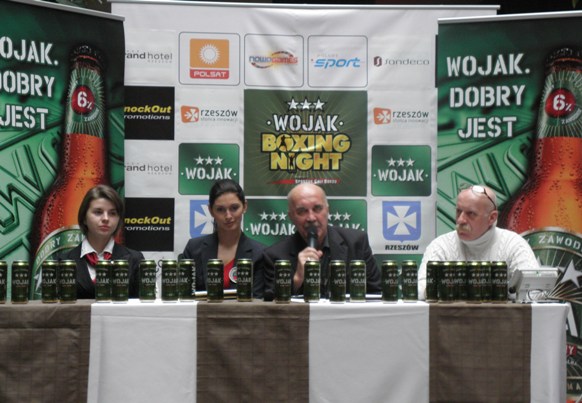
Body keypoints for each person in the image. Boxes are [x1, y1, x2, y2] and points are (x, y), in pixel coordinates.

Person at [417, 184, 539, 299]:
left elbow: (535, 291)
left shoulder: (514, 244)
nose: (460, 220)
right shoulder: (441, 245)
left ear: (492, 218)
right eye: (458, 211)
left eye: (471, 214)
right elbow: (420, 288)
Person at [262, 183, 380, 300]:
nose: (311, 218)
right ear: (291, 217)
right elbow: (270, 305)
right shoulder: (275, 255)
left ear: (327, 210)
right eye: (302, 211)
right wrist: (297, 278)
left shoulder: (356, 243)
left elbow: (376, 294)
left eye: (317, 209)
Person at [180, 179, 265, 298]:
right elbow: (184, 296)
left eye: (234, 208)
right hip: (202, 310)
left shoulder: (260, 254)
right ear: (211, 211)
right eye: (220, 209)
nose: (228, 216)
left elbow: (258, 301)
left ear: (245, 206)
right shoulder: (193, 249)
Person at [58, 184, 143, 299]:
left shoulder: (135, 260)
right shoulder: (62, 262)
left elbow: (144, 307)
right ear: (84, 218)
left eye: (112, 213)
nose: (106, 218)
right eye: (98, 212)